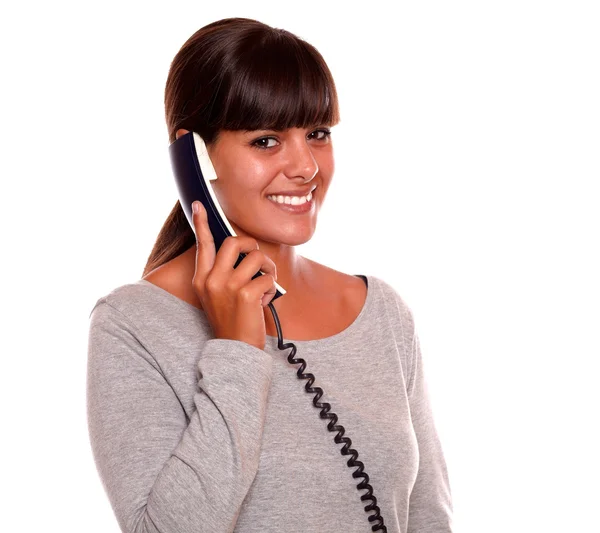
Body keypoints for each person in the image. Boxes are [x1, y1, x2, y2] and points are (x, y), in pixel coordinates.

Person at [86, 17, 453, 533]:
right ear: (193, 157)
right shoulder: (132, 326)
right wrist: (237, 350)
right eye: (266, 141)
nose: (305, 166)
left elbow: (428, 517)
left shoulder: (383, 314)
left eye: (318, 134)